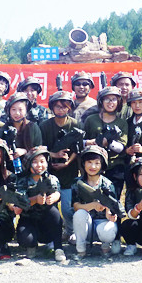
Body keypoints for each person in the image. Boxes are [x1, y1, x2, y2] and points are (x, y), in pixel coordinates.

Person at [40, 91, 82, 234]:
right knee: (49, 207)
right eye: (57, 106)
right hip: (48, 171)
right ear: (52, 107)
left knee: (67, 208)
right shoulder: (45, 126)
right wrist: (54, 155)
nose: (61, 109)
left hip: (69, 173)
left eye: (64, 106)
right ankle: (52, 235)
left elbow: (78, 149)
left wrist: (68, 162)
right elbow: (40, 149)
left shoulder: (75, 124)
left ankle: (70, 232)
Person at [14, 147, 66, 262]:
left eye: (42, 161)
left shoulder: (52, 178)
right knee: (26, 239)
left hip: (47, 220)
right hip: (28, 218)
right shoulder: (22, 180)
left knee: (54, 213)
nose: (39, 165)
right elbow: (20, 201)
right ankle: (32, 246)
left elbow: (57, 192)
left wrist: (54, 197)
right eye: (35, 162)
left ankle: (58, 248)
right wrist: (35, 199)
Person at [71, 146, 121, 259]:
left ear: (102, 165)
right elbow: (76, 206)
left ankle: (105, 247)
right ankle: (81, 250)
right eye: (89, 162)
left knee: (108, 231)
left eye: (97, 163)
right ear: (83, 163)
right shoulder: (77, 183)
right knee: (79, 214)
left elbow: (111, 207)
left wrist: (110, 214)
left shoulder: (108, 184)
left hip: (102, 224)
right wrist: (93, 205)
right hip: (86, 225)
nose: (93, 167)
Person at [83, 86, 128, 198]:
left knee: (112, 200)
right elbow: (81, 141)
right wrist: (91, 142)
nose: (110, 102)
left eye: (114, 99)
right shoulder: (91, 120)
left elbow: (122, 147)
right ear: (101, 101)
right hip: (93, 166)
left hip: (115, 166)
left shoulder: (122, 123)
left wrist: (108, 143)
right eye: (107, 99)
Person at [3, 92, 43, 160]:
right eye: (13, 109)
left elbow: (39, 150)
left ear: (26, 110)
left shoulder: (33, 127)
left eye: (20, 110)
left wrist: (25, 151)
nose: (17, 113)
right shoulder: (4, 128)